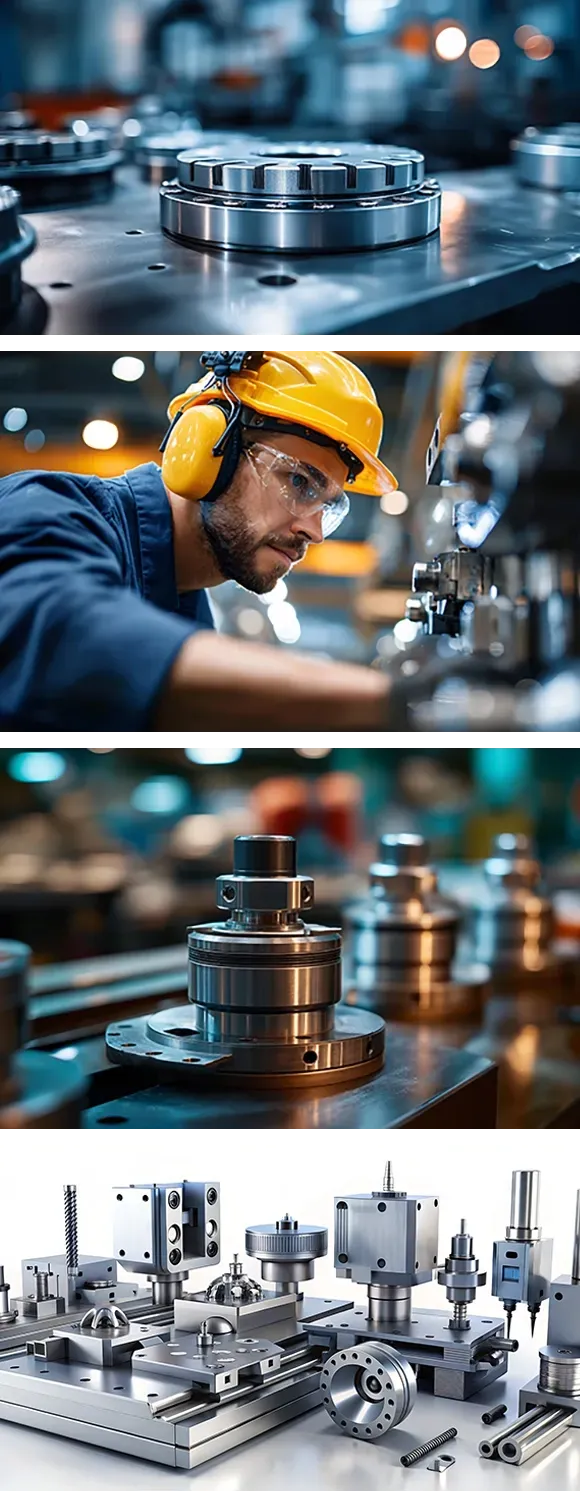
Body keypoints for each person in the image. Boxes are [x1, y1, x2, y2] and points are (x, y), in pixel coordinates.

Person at [0, 345, 397, 733]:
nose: (315, 532)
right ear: (208, 449)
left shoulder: (191, 616)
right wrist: (387, 700)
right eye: (298, 482)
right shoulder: (49, 508)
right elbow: (61, 636)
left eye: (328, 506)